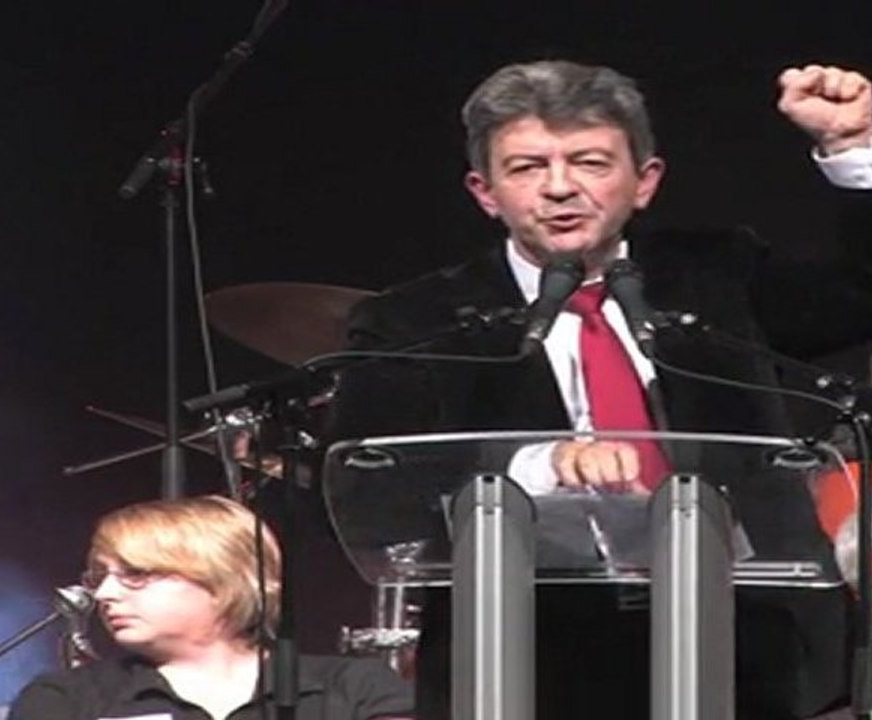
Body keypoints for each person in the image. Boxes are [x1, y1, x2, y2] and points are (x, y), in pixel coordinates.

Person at [324, 60, 872, 719]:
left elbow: (859, 296)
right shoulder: (416, 321)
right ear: (485, 192)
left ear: (645, 182)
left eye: (589, 162)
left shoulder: (718, 275)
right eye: (527, 167)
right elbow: (367, 481)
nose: (560, 188)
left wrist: (854, 149)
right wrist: (535, 464)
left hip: (754, 653)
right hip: (531, 661)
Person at [7, 494, 414, 720]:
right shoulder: (65, 698)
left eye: (136, 574)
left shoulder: (355, 688)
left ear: (223, 579)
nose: (104, 593)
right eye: (101, 576)